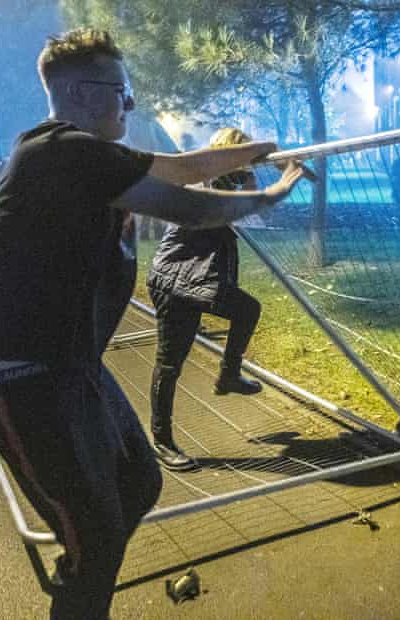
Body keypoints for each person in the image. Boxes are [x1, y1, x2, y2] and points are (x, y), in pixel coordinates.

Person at [0, 28, 308, 619]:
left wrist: (256, 150)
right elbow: (187, 204)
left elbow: (181, 166)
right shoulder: (58, 150)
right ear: (83, 93)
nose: (132, 104)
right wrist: (269, 196)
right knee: (93, 538)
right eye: (123, 92)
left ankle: (83, 570)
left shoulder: (83, 155)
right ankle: (80, 588)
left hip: (69, 362)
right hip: (15, 372)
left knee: (140, 483)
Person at [146, 127, 265, 471]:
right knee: (170, 363)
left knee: (247, 309)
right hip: (175, 278)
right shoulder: (204, 179)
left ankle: (228, 375)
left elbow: (254, 215)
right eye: (242, 153)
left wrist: (250, 175)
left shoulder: (226, 180)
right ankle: (162, 441)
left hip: (198, 278)